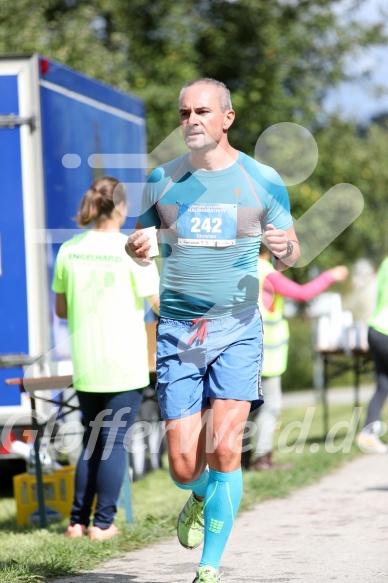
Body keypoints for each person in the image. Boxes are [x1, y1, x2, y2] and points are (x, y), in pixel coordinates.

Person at [125, 78, 299, 583]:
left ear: (227, 117)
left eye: (202, 111)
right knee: (182, 464)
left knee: (225, 447)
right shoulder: (161, 179)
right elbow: (137, 243)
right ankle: (198, 496)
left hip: (239, 325)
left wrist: (283, 246)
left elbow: (289, 257)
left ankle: (209, 567)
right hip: (179, 328)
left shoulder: (263, 179)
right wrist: (135, 249)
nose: (191, 120)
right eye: (184, 113)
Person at [52, 176, 159, 541]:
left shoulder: (68, 249)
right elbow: (159, 304)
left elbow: (62, 309)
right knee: (113, 443)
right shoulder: (133, 250)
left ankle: (76, 522)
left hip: (86, 363)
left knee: (91, 441)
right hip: (124, 363)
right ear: (123, 208)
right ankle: (103, 524)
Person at [243, 245, 348, 471]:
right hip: (266, 352)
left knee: (247, 407)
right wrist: (330, 276)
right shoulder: (265, 271)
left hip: (245, 349)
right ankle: (262, 459)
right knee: (270, 406)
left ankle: (242, 460)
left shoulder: (241, 268)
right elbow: (302, 293)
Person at [356, 256, 388, 454]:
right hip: (386, 330)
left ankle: (367, 433)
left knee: (384, 384)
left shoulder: (385, 261)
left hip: (375, 328)